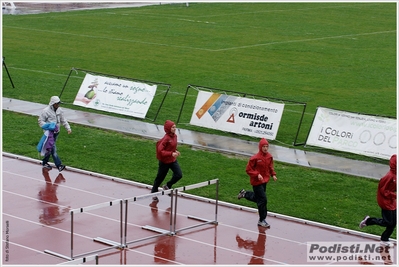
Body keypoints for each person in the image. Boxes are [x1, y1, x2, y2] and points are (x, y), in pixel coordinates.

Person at [237, 138, 277, 228]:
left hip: (264, 181)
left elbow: (270, 167)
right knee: (263, 200)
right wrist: (257, 174)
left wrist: (273, 175)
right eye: (264, 146)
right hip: (256, 182)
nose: (265, 148)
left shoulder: (269, 157)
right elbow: (248, 170)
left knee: (258, 198)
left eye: (267, 146)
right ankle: (262, 220)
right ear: (260, 147)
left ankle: (245, 194)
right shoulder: (255, 158)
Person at [359, 154, 396, 246]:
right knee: (387, 222)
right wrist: (393, 195)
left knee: (394, 222)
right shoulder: (389, 176)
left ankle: (385, 239)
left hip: (391, 201)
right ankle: (368, 221)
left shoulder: (396, 175)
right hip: (385, 201)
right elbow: (383, 191)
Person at [150, 120, 182, 202]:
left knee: (179, 175)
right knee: (160, 178)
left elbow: (172, 147)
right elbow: (161, 151)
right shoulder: (166, 138)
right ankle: (154, 193)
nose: (175, 129)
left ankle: (168, 185)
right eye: (173, 127)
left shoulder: (175, 136)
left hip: (172, 160)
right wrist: (171, 153)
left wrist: (176, 151)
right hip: (164, 161)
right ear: (168, 128)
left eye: (175, 127)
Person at [38, 96, 72, 172]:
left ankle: (45, 162)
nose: (58, 105)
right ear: (52, 104)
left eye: (59, 103)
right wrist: (48, 126)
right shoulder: (46, 111)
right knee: (53, 149)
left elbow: (63, 120)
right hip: (49, 134)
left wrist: (68, 128)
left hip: (57, 133)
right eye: (57, 103)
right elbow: (40, 121)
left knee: (49, 149)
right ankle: (59, 165)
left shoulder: (60, 110)